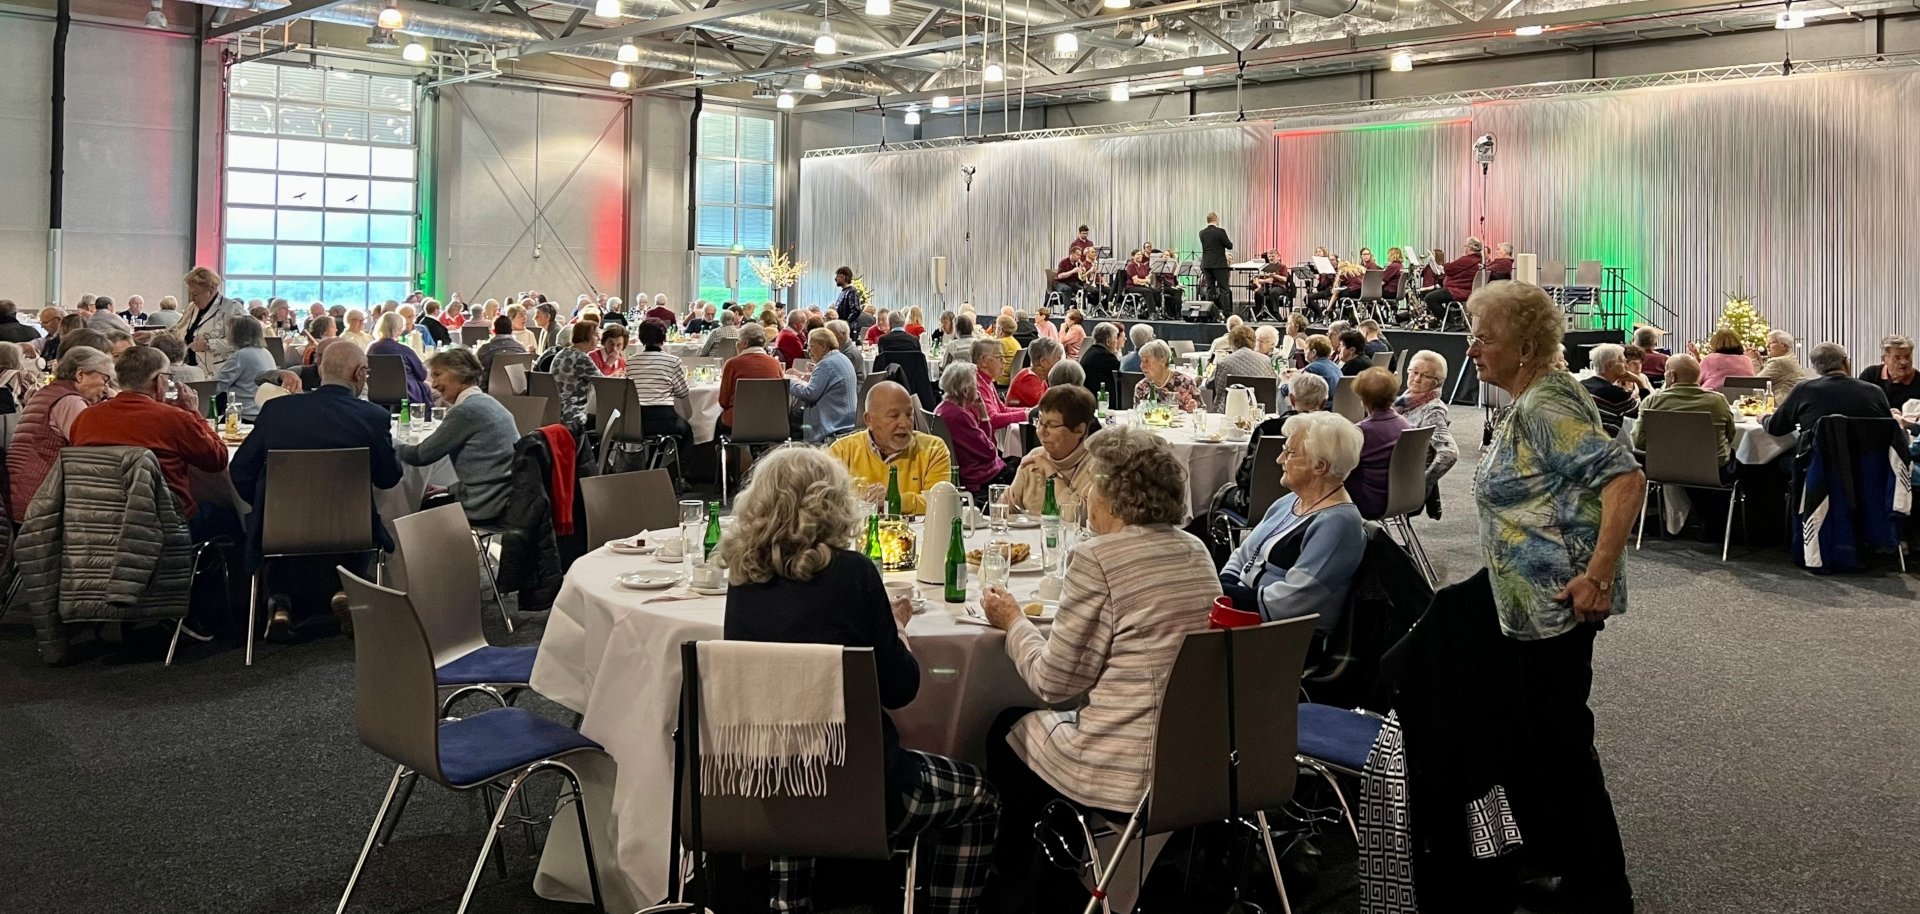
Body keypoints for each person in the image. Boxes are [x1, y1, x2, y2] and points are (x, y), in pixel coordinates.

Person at [718, 445, 999, 914]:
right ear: (831, 504)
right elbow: (901, 689)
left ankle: (790, 901)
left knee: (796, 768)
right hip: (858, 789)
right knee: (981, 796)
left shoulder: (742, 576)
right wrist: (899, 629)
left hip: (765, 783)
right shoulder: (853, 573)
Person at [978, 424, 1218, 908]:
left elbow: (1053, 682)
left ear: (1111, 494)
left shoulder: (1099, 558)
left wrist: (1013, 622)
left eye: (1093, 482)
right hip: (1198, 759)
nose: (1087, 493)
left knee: (1004, 727)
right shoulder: (1196, 549)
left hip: (1129, 769)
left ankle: (1025, 885)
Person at [1465, 280, 1643, 914]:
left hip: (1558, 606)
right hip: (1531, 606)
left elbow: (1625, 480)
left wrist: (1597, 576)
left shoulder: (1545, 404)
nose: (1472, 348)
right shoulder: (1535, 397)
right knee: (1538, 740)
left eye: (1484, 338)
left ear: (1525, 346)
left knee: (1562, 746)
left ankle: (1600, 889)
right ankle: (1558, 863)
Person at [232, 341, 401, 640]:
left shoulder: (276, 411)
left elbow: (241, 470)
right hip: (350, 527)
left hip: (281, 526)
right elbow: (388, 478)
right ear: (360, 374)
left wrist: (267, 503)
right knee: (358, 521)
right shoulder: (373, 417)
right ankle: (346, 587)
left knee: (274, 531)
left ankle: (280, 602)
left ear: (320, 371)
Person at [1220, 410, 1366, 645]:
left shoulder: (1339, 524)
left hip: (1285, 638)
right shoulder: (1291, 501)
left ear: (1319, 466)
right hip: (1245, 615)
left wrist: (1224, 595)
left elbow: (1293, 601)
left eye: (1289, 452)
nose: (1280, 459)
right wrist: (1223, 587)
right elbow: (1244, 553)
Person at [69, 345, 232, 541]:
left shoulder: (85, 418)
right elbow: (217, 459)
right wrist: (193, 412)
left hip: (102, 522)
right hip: (166, 522)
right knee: (233, 518)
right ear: (160, 380)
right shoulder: (174, 418)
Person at [399, 349, 519, 525]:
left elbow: (420, 455)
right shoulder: (488, 402)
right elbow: (490, 468)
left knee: (409, 516)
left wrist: (391, 442)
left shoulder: (466, 411)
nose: (433, 385)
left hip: (481, 506)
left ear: (460, 373)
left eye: (437, 375)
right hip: (501, 499)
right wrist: (450, 489)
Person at [6, 346, 114, 523]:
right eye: (105, 379)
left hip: (18, 492)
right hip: (37, 499)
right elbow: (91, 449)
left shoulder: (48, 392)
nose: (106, 389)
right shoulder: (70, 401)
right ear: (81, 375)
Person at [827, 381, 952, 514]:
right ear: (869, 420)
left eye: (909, 414)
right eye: (894, 416)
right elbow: (826, 503)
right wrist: (860, 502)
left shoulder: (933, 449)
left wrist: (893, 500)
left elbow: (940, 501)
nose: (904, 423)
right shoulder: (841, 452)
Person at [1630, 354, 1736, 470]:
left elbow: (1638, 441)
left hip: (1664, 468)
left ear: (1672, 375)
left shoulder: (1652, 401)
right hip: (1713, 468)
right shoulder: (1718, 401)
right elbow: (1730, 434)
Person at [1003, 384, 1097, 514]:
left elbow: (1074, 517)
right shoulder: (1034, 457)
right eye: (1040, 422)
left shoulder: (1096, 467)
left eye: (1051, 425)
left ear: (1079, 430)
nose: (1041, 431)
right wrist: (1005, 503)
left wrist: (1052, 474)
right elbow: (1006, 509)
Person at [1765, 341, 1894, 437]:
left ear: (1816, 368)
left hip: (1817, 463)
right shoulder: (1874, 391)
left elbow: (1776, 428)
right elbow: (1890, 430)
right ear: (1846, 362)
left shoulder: (1804, 390)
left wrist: (1764, 418)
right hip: (1869, 463)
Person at [1394, 350, 1459, 519]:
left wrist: (1422, 484)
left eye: (1425, 376)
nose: (1416, 379)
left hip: (1400, 487)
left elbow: (1449, 453)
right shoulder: (1405, 401)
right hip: (1394, 476)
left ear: (1437, 382)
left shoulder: (1432, 410)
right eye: (1414, 372)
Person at [936, 361, 1011, 495]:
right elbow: (990, 451)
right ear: (965, 390)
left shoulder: (941, 409)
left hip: (971, 470)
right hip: (980, 476)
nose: (977, 390)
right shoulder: (959, 416)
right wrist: (983, 414)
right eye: (975, 385)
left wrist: (981, 410)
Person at [1346, 367, 1412, 519]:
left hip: (1369, 500)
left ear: (1363, 399)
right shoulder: (1404, 423)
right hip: (1402, 495)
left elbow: (1341, 466)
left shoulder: (1362, 431)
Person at [626, 318, 695, 445]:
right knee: (687, 431)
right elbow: (682, 393)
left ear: (641, 338)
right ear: (664, 338)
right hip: (663, 418)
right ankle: (674, 458)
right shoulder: (673, 361)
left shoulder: (631, 361)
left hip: (635, 419)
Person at [787, 327, 857, 443]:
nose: (808, 350)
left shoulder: (826, 364)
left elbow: (809, 394)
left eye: (811, 346)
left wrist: (788, 382)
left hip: (832, 421)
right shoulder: (841, 358)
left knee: (790, 418)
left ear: (823, 346)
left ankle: (799, 452)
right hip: (846, 418)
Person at [173, 266, 244, 379]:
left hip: (220, 374)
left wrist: (210, 344)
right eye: (190, 294)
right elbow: (177, 329)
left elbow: (243, 341)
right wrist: (152, 334)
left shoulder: (232, 308)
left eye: (195, 294)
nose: (192, 298)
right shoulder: (192, 307)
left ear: (210, 290)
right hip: (193, 371)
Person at [717, 323, 784, 434]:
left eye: (737, 341)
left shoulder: (732, 364)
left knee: (716, 423)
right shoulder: (775, 364)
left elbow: (723, 401)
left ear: (745, 344)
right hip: (770, 420)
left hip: (738, 420)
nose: (736, 344)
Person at [214, 315, 279, 421]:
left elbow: (218, 385)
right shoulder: (266, 352)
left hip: (245, 413)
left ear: (237, 333)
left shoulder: (241, 355)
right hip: (262, 411)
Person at [367, 311, 432, 407]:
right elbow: (422, 374)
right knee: (437, 393)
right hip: (408, 393)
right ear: (399, 328)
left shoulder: (371, 348)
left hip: (376, 393)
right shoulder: (404, 350)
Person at [546, 321, 600, 427]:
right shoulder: (581, 358)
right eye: (596, 335)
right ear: (588, 337)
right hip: (574, 414)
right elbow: (604, 384)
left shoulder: (562, 354)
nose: (598, 338)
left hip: (556, 410)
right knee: (608, 420)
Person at [968, 338, 1029, 431]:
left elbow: (1002, 409)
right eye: (1000, 357)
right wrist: (1026, 415)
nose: (1004, 361)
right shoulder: (976, 385)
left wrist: (1028, 411)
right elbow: (992, 420)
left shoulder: (986, 380)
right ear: (984, 361)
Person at [1581, 343, 1640, 437]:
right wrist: (1639, 382)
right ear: (1609, 365)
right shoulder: (1614, 393)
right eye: (1623, 361)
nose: (1626, 366)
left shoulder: (1582, 384)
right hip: (1602, 442)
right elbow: (1643, 412)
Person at [1420, 237, 1484, 322]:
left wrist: (1445, 265)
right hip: (1465, 289)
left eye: (1465, 246)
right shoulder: (1479, 260)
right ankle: (1453, 319)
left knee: (1429, 298)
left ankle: (1449, 321)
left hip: (1458, 291)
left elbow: (1448, 269)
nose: (1464, 248)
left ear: (1469, 248)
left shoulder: (1467, 260)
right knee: (1437, 293)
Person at [1132, 340, 1202, 412]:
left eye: (1147, 361)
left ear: (1162, 361)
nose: (1142, 366)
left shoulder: (1186, 382)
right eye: (1141, 361)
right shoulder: (1141, 387)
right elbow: (1136, 414)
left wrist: (1194, 407)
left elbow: (1202, 409)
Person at [1209, 324, 1275, 401]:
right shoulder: (1266, 360)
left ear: (1232, 343)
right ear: (1254, 342)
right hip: (1260, 405)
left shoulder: (1223, 362)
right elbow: (1274, 385)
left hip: (1230, 406)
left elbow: (1210, 386)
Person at [1859, 334, 1919, 407]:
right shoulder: (1870, 375)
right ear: (1884, 359)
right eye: (1897, 358)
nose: (1904, 362)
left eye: (1907, 357)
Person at [1749, 329, 1808, 398]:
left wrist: (1753, 360)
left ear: (1784, 346)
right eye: (1767, 343)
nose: (1767, 346)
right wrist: (1758, 360)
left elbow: (1757, 383)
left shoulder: (1778, 362)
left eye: (1771, 342)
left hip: (1783, 402)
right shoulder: (1790, 357)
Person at [475, 316, 527, 392]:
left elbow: (475, 370)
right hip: (516, 392)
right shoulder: (521, 349)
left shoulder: (484, 350)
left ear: (493, 331)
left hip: (488, 391)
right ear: (511, 330)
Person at [1008, 337, 1061, 408]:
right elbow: (1046, 405)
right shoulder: (1028, 379)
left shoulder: (1040, 378)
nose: (1060, 363)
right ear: (1043, 362)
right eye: (1058, 359)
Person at [1197, 212, 1234, 310]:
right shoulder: (1220, 232)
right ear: (1217, 220)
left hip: (1207, 264)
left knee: (1210, 288)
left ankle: (1208, 311)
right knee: (1224, 289)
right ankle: (1226, 312)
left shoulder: (1202, 233)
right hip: (1219, 264)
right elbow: (1229, 246)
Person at [1078, 321, 1121, 396]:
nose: (1117, 341)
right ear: (1108, 341)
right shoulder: (1106, 357)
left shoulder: (1090, 352)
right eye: (1115, 338)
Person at [827, 319, 867, 384]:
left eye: (831, 335)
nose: (828, 339)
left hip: (854, 387)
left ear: (843, 334)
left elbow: (839, 378)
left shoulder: (850, 354)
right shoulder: (842, 350)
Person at [990, 315, 1020, 385]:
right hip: (1009, 379)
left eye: (996, 327)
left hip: (1000, 380)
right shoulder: (1013, 341)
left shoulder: (1001, 343)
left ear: (1000, 330)